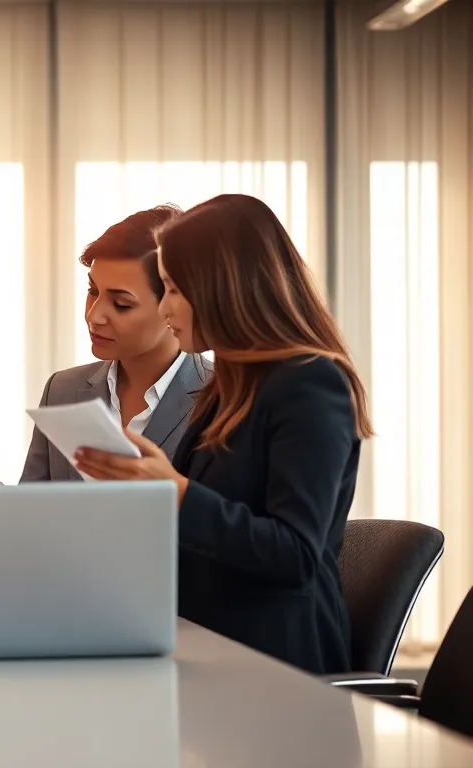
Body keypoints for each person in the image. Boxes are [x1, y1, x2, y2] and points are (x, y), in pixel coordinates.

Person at [73, 193, 372, 675]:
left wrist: (174, 492)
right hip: (205, 644)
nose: (165, 307)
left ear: (223, 287)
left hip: (275, 668)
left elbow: (294, 554)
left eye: (173, 289)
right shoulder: (232, 385)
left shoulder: (311, 382)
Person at [20, 205, 210, 482]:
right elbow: (29, 511)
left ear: (175, 302)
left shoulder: (224, 401)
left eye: (121, 304)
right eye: (92, 291)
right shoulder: (61, 390)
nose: (93, 316)